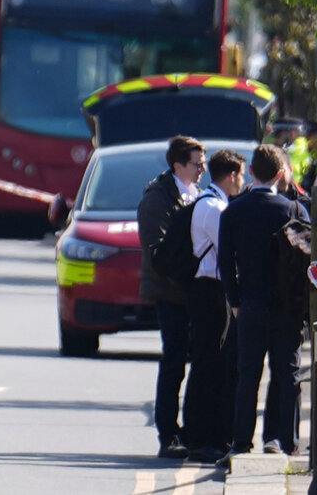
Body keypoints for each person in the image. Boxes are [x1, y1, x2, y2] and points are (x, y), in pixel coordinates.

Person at [216, 144, 308, 467]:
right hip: (287, 307)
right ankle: (285, 440)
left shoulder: (233, 212)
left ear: (251, 172)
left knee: (248, 376)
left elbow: (225, 262)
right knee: (287, 375)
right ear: (281, 174)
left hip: (250, 304)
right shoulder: (293, 212)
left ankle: (241, 442)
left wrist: (235, 301)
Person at [137, 135, 206, 459]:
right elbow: (159, 253)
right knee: (174, 360)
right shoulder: (158, 198)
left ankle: (190, 429)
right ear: (178, 165)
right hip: (170, 291)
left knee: (195, 361)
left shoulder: (194, 193)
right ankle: (168, 433)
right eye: (197, 163)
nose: (202, 168)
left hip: (191, 290)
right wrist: (190, 272)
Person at [182, 149, 246, 463]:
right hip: (208, 290)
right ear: (231, 175)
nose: (243, 182)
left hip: (211, 288)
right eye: (241, 175)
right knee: (207, 363)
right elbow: (230, 251)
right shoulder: (214, 207)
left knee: (213, 362)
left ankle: (206, 435)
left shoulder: (213, 203)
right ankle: (199, 437)